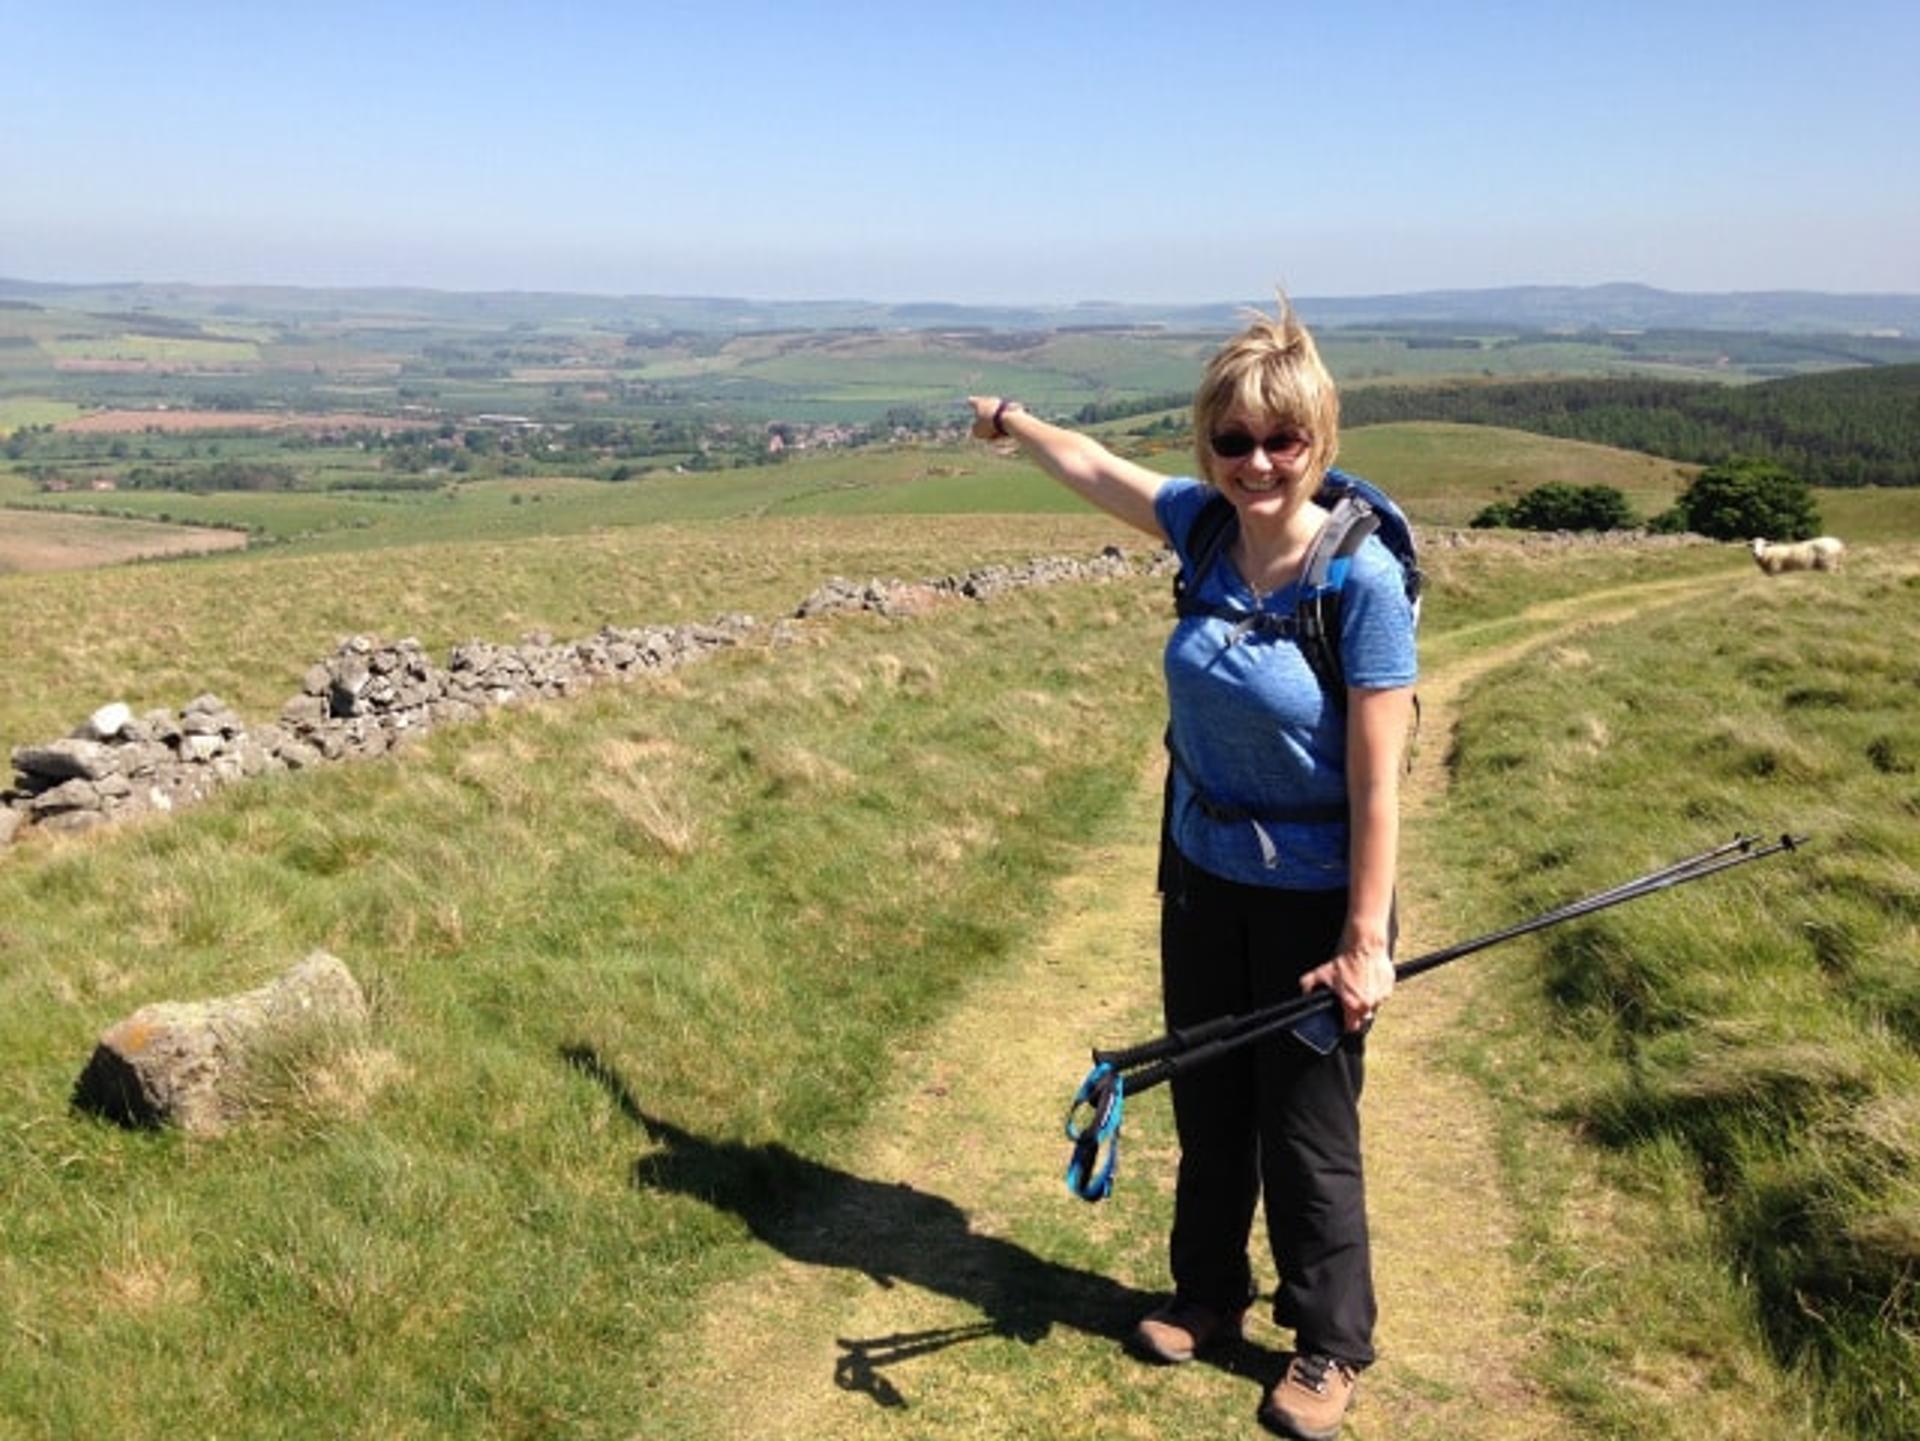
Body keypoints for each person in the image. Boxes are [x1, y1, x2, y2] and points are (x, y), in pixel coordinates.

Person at [967, 302, 1415, 1441]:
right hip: (1205, 875)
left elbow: (1379, 783)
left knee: (1305, 1128)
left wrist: (1364, 941)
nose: (1257, 462)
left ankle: (1329, 1341)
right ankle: (1208, 1292)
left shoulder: (1358, 583)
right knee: (1211, 1102)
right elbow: (1095, 467)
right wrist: (1012, 418)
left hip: (1318, 897)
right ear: (1208, 442)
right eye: (1233, 440)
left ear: (1319, 438)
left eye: (1282, 439)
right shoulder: (1204, 528)